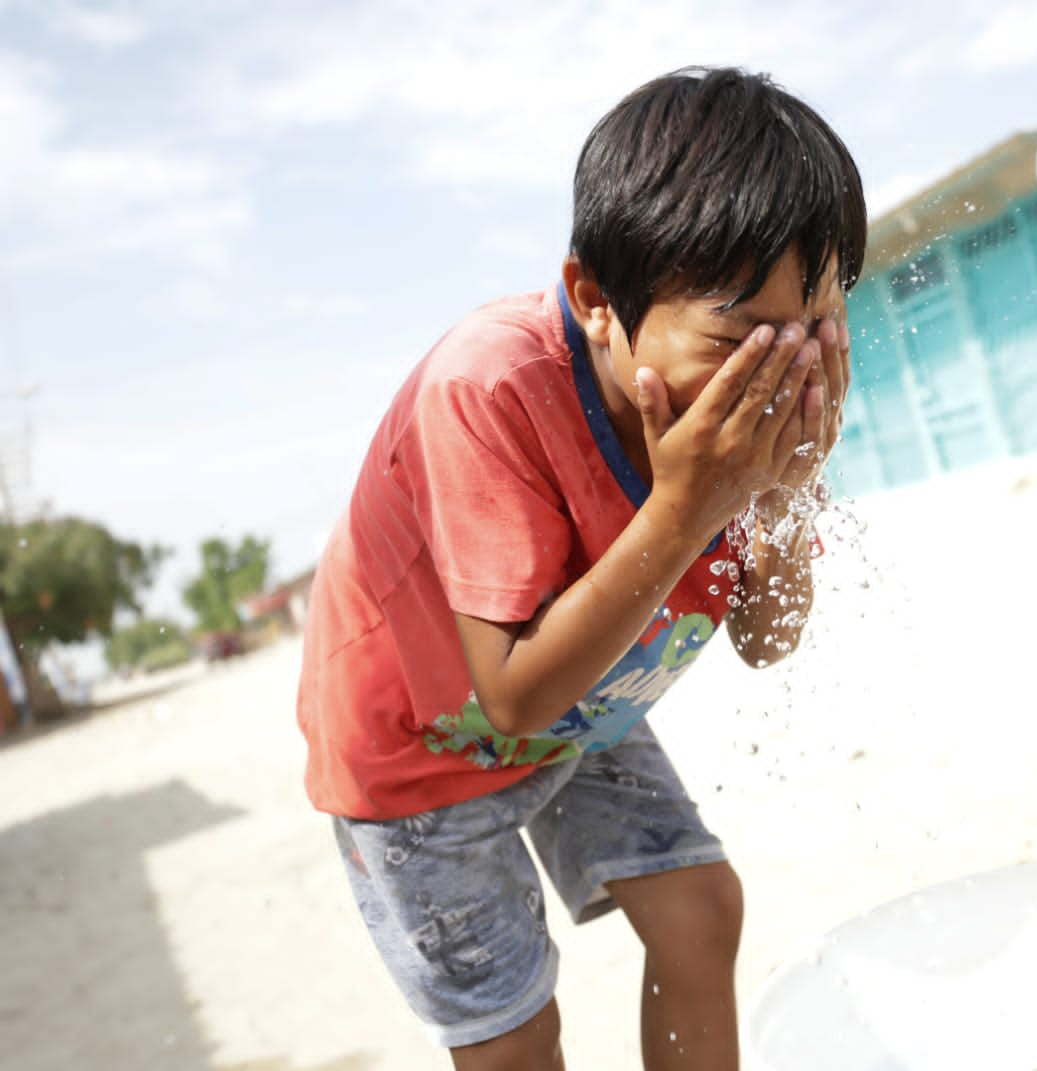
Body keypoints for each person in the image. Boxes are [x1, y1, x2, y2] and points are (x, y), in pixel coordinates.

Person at [296, 66, 864, 1070]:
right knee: (515, 1037)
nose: (781, 372)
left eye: (815, 325)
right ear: (596, 302)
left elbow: (768, 639)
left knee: (698, 911)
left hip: (582, 702)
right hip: (421, 748)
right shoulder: (491, 390)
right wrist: (689, 503)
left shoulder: (737, 431)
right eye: (738, 338)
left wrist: (777, 495)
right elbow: (511, 695)